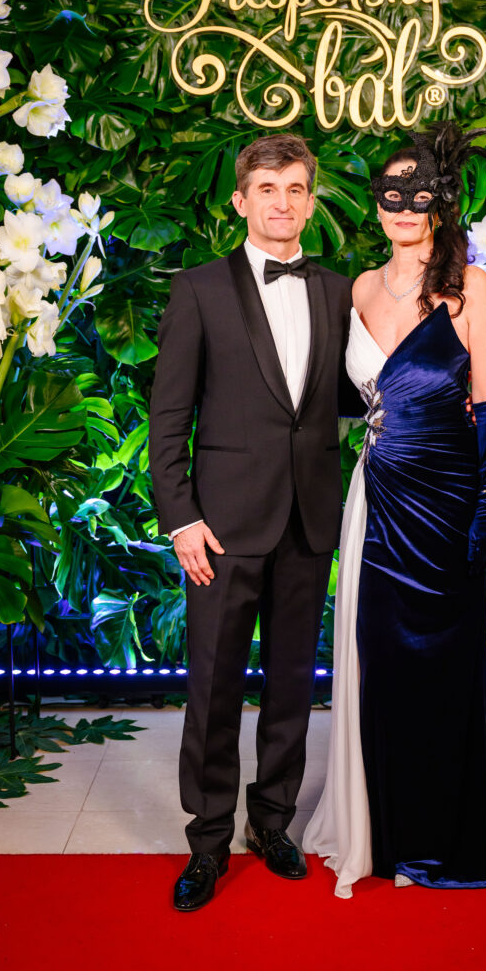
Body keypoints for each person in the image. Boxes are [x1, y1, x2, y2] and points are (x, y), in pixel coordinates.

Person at [304, 124, 486, 897]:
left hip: (449, 502)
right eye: (391, 193)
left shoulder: (472, 287)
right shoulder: (360, 289)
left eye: (418, 192)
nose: (404, 206)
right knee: (383, 665)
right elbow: (345, 398)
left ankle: (446, 837)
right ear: (376, 205)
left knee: (446, 667)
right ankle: (388, 835)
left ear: (440, 202)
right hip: (379, 500)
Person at [149, 133, 357, 912]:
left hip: (309, 518)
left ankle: (272, 823)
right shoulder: (199, 289)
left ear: (311, 201)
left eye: (296, 188)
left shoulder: (339, 291)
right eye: (267, 188)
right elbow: (168, 417)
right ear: (240, 200)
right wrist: (182, 520)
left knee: (293, 685)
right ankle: (208, 842)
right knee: (212, 688)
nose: (282, 201)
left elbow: (356, 396)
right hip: (222, 528)